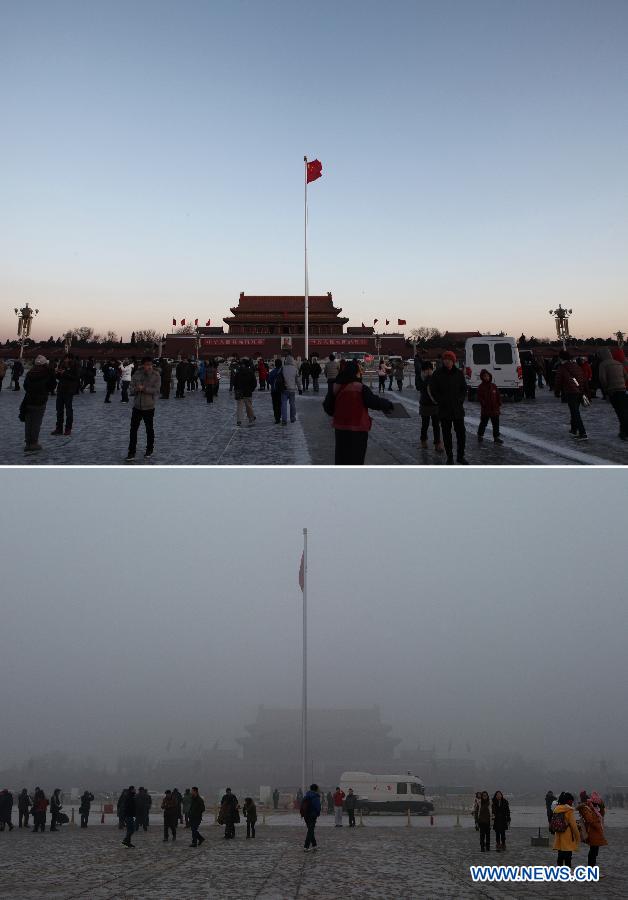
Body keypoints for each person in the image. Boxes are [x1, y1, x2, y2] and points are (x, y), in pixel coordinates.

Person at [325, 360, 393, 464]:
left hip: (340, 429)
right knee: (356, 459)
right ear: (355, 372)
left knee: (342, 459)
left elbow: (327, 407)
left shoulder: (336, 387)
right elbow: (373, 402)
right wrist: (388, 404)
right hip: (357, 429)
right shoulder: (359, 387)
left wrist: (339, 413)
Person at [428, 350, 468, 464]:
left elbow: (463, 389)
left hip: (457, 409)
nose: (447, 361)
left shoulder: (459, 373)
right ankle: (450, 457)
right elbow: (433, 389)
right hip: (444, 409)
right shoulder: (438, 373)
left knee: (461, 434)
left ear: (453, 361)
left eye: (449, 359)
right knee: (446, 435)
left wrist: (460, 400)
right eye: (445, 359)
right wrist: (440, 400)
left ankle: (460, 456)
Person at [126, 357, 161, 461]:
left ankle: (149, 449)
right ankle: (131, 452)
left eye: (150, 365)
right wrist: (136, 389)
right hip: (137, 406)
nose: (148, 367)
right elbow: (131, 388)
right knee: (133, 430)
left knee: (149, 429)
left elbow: (156, 390)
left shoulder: (156, 375)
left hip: (149, 406)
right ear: (143, 365)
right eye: (146, 364)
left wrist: (144, 389)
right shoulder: (137, 374)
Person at [21, 355, 56, 453]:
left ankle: (28, 443)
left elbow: (25, 386)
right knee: (36, 423)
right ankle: (34, 443)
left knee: (28, 423)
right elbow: (52, 385)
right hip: (40, 400)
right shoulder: (47, 372)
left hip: (29, 400)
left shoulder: (30, 372)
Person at [553, 351, 588, 440]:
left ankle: (582, 433)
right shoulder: (576, 366)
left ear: (561, 358)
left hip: (571, 392)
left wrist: (557, 391)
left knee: (575, 412)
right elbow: (583, 378)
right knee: (574, 411)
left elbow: (558, 381)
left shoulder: (562, 368)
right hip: (579, 391)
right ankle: (574, 429)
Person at [598, 348, 628, 440]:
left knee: (620, 412)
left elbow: (602, 378)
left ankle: (625, 433)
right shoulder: (618, 363)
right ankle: (623, 432)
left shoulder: (603, 364)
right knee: (624, 411)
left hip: (613, 391)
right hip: (623, 390)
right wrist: (622, 383)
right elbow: (626, 376)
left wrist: (606, 388)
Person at [577, 791, 607, 871]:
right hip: (593, 832)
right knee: (593, 852)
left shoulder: (595, 809)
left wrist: (602, 806)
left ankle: (592, 868)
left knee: (594, 851)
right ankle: (591, 870)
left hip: (596, 833)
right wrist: (598, 825)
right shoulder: (587, 808)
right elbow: (590, 820)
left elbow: (602, 814)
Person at [51, 354, 80, 436]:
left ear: (70, 359)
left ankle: (68, 428)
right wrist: (57, 373)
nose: (65, 360)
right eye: (64, 359)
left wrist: (64, 373)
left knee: (68, 410)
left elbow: (75, 378)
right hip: (60, 389)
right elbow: (59, 378)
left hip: (69, 390)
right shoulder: (62, 365)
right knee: (59, 410)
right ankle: (59, 428)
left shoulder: (75, 366)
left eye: (66, 359)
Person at [418, 361, 443, 451]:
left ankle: (437, 443)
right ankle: (423, 440)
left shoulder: (435, 379)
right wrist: (428, 379)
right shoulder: (421, 379)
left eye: (430, 369)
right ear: (423, 371)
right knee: (425, 424)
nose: (428, 371)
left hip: (434, 405)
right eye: (426, 370)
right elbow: (420, 387)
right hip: (425, 405)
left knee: (436, 425)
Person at [551, 792, 580, 868]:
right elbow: (574, 826)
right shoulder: (569, 810)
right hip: (567, 835)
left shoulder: (556, 809)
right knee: (568, 854)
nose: (572, 802)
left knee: (560, 854)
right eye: (571, 800)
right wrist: (578, 837)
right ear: (568, 801)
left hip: (558, 833)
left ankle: (559, 870)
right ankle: (567, 870)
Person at [477, 370, 504, 445]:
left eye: (487, 376)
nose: (486, 377)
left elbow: (498, 395)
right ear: (482, 377)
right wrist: (483, 404)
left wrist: (499, 403)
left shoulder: (493, 386)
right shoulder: (481, 387)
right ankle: (480, 435)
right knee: (483, 423)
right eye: (484, 376)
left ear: (490, 376)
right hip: (486, 410)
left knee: (496, 424)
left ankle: (496, 437)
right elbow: (479, 397)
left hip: (495, 409)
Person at [233, 358, 257, 426]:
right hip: (248, 391)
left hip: (239, 391)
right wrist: (251, 389)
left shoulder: (238, 372)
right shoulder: (250, 372)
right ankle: (251, 418)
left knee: (239, 407)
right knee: (249, 406)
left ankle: (239, 420)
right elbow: (254, 383)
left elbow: (234, 382)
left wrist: (237, 388)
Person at [301, 783, 321, 852]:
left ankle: (314, 845)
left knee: (310, 830)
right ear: (316, 789)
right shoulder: (315, 796)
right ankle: (306, 847)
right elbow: (317, 807)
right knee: (310, 830)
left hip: (306, 815)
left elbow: (302, 804)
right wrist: (318, 813)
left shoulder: (306, 795)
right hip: (312, 815)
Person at [281, 354, 299, 425]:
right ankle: (292, 418)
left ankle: (284, 420)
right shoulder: (295, 369)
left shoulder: (283, 368)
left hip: (284, 389)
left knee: (284, 404)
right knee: (292, 404)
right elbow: (297, 380)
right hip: (292, 390)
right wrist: (300, 388)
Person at [268, 358, 284, 424]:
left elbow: (269, 381)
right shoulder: (283, 371)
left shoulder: (272, 372)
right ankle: (280, 416)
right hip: (281, 390)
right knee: (280, 404)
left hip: (274, 390)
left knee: (275, 404)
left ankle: (276, 418)